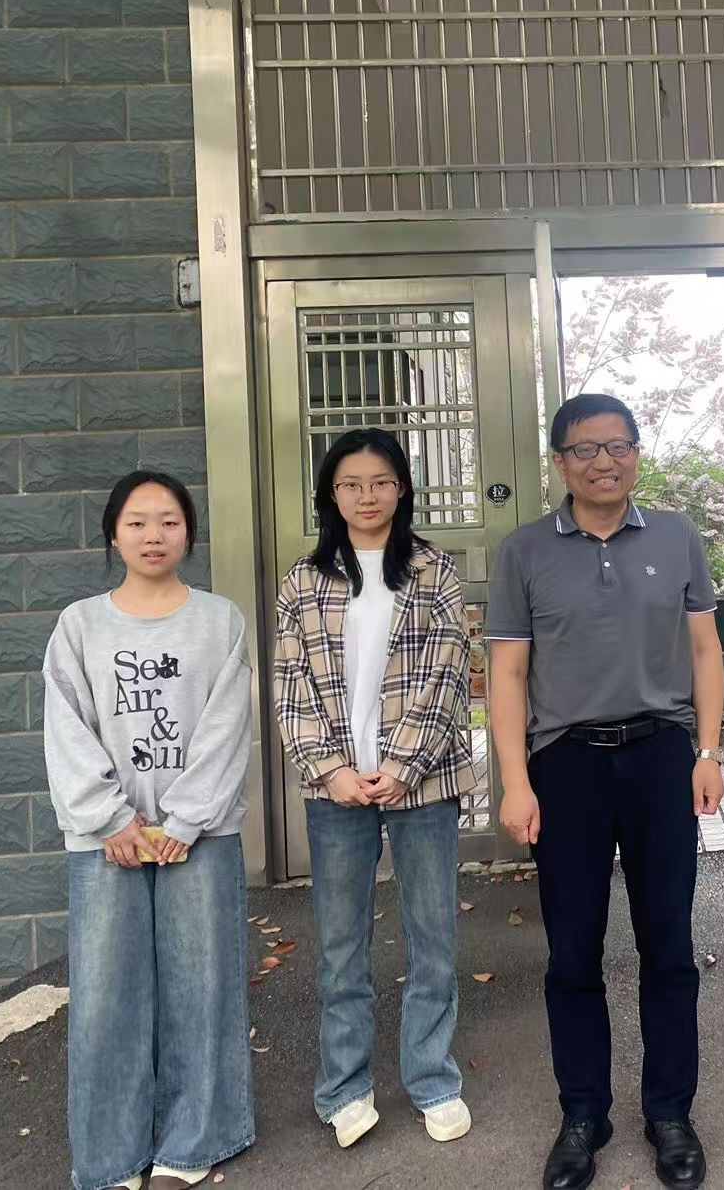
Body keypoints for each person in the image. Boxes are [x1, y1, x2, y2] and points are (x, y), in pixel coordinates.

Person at [487, 393, 724, 1190]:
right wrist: (516, 781)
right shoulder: (524, 551)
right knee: (571, 951)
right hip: (567, 766)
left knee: (669, 945)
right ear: (559, 462)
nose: (604, 462)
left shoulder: (676, 536)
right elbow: (508, 674)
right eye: (586, 449)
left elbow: (705, 651)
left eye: (618, 446)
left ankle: (670, 1112)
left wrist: (708, 751)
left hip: (661, 756)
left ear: (637, 454)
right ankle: (584, 1113)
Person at [44, 470, 254, 1190]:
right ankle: (110, 1154)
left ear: (189, 531)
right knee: (106, 995)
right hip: (106, 840)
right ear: (114, 533)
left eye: (168, 520)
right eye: (136, 522)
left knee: (202, 985)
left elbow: (228, 727)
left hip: (200, 834)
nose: (153, 535)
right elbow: (66, 728)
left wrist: (186, 820)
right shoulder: (79, 625)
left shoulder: (220, 621)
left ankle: (195, 1139)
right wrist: (111, 817)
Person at [271, 428, 475, 1149]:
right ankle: (344, 1085)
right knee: (340, 944)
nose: (367, 496)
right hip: (335, 787)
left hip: (422, 782)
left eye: (381, 482)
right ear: (331, 494)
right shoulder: (303, 580)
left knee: (432, 936)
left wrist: (404, 766)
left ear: (402, 489)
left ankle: (432, 1078)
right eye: (351, 484)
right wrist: (330, 768)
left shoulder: (434, 571)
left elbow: (448, 674)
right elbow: (289, 682)